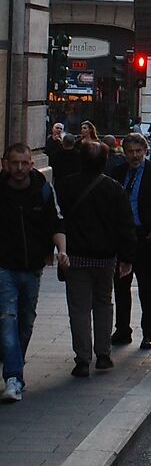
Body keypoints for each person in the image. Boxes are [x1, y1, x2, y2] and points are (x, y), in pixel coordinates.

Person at [53, 134, 136, 375]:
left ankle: (82, 358)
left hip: (75, 255)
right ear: (104, 161)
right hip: (105, 257)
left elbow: (58, 219)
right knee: (103, 303)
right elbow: (125, 225)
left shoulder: (66, 185)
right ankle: (103, 354)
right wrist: (127, 257)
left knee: (78, 308)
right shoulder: (114, 188)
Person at [0, 141, 67, 401]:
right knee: (7, 318)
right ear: (6, 164)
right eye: (14, 163)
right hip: (4, 265)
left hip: (33, 267)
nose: (19, 168)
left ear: (31, 164)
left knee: (25, 323)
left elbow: (55, 222)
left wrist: (62, 251)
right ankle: (14, 378)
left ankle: (15, 364)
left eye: (24, 163)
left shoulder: (42, 189)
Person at [111, 133, 151, 350]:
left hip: (145, 236)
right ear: (124, 152)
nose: (134, 155)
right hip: (122, 236)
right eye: (130, 151)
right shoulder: (117, 172)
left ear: (145, 151)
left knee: (146, 286)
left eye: (138, 151)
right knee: (121, 285)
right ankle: (122, 329)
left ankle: (148, 333)